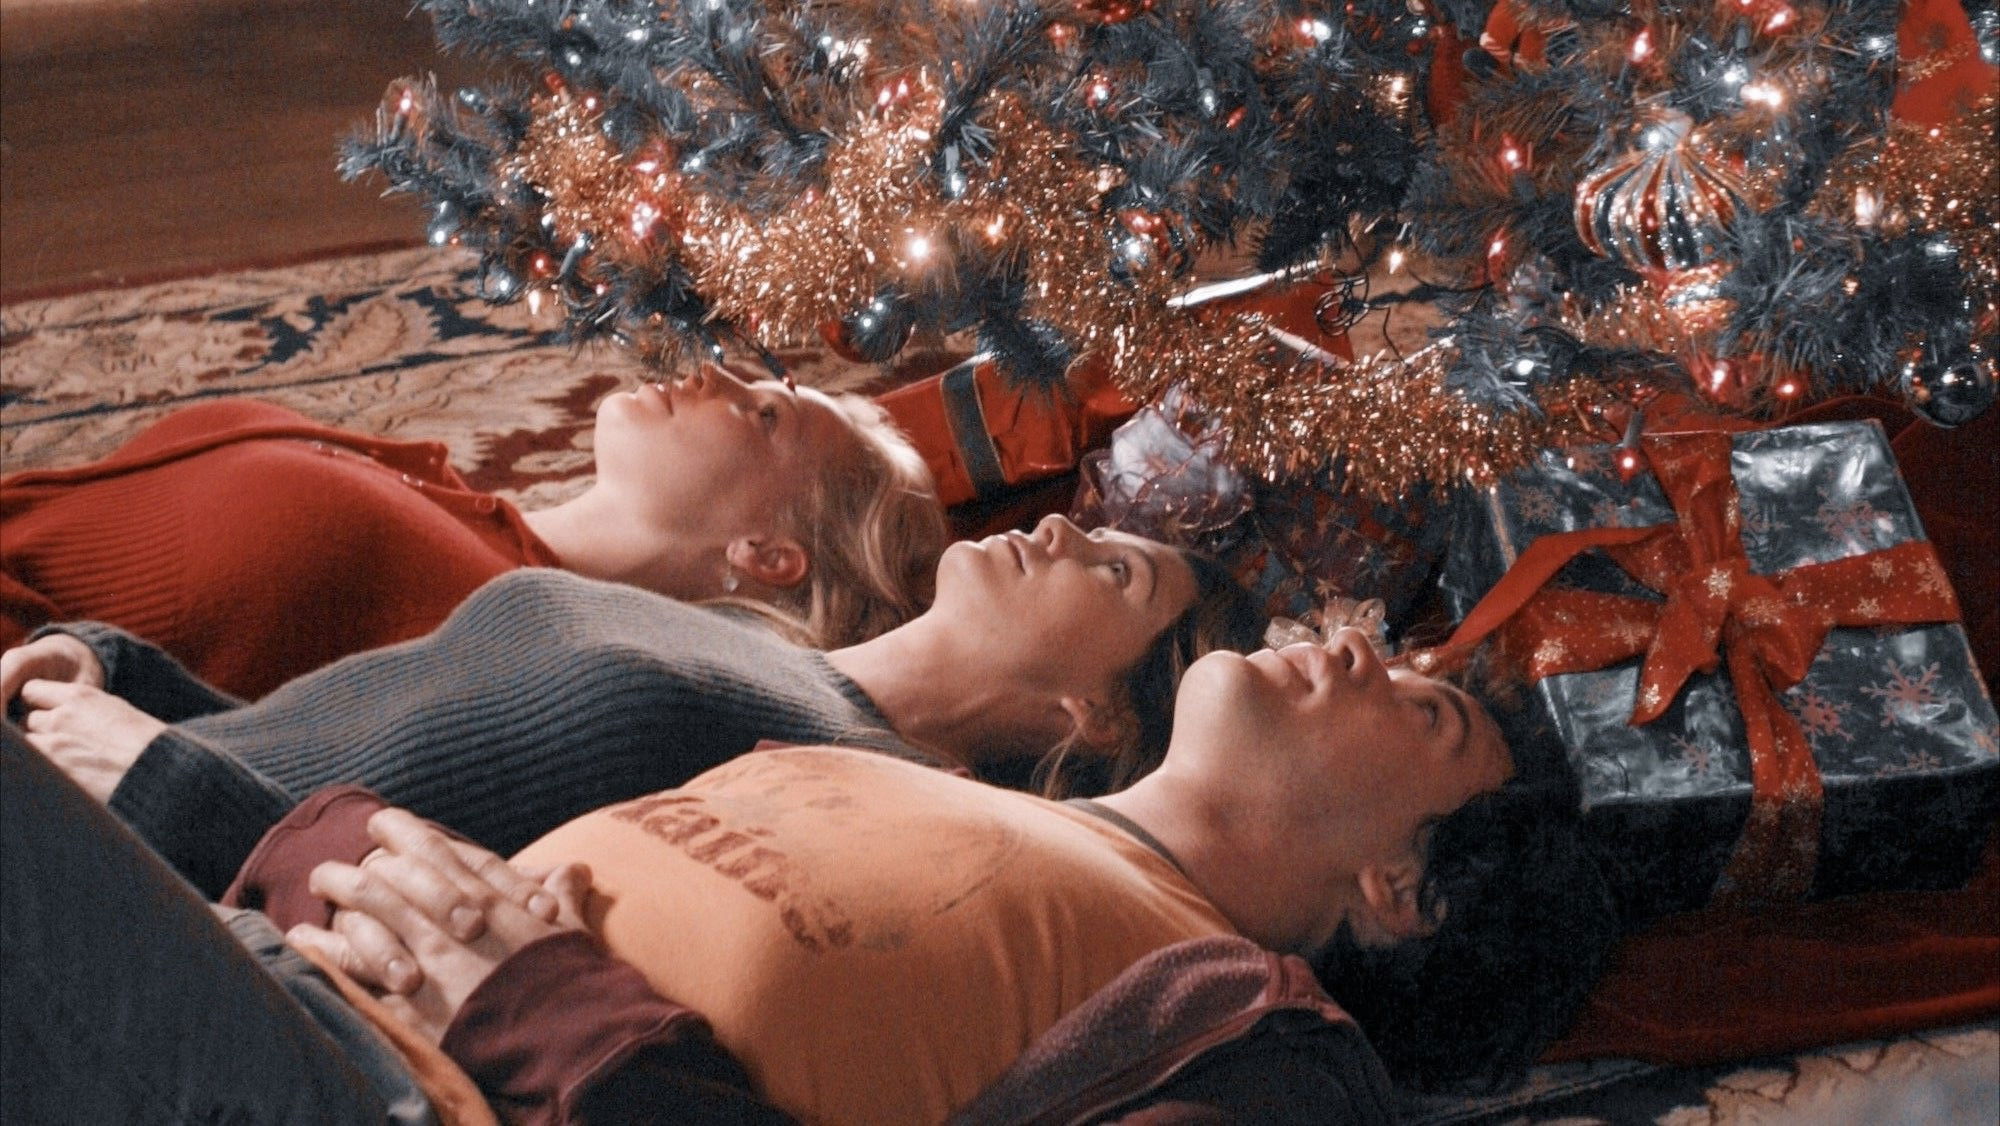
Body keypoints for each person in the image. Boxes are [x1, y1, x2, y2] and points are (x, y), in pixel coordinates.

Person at [1, 628, 1619, 1124]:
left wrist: (546, 1014)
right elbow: (461, 896)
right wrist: (234, 818)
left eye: (1429, 709)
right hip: (271, 975)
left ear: (1411, 889)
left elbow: (521, 982)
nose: (1361, 642)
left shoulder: (1263, 1046)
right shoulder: (897, 771)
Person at [2, 513, 1267, 898]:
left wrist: (159, 781)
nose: (1061, 529)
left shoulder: (862, 797)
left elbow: (441, 935)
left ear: (1097, 715)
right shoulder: (750, 638)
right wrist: (109, 670)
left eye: (1116, 573)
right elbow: (324, 731)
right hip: (86, 775)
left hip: (136, 880)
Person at [0, 364, 947, 697]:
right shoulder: (458, 508)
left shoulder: (506, 645)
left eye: (765, 414)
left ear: (767, 555)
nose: (712, 375)